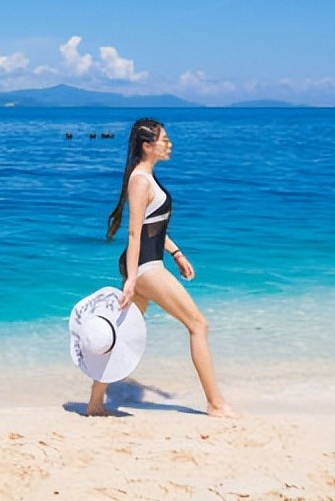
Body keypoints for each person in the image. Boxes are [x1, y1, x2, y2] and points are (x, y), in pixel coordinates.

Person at [86, 118, 237, 418]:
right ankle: (216, 404)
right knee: (198, 325)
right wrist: (131, 279)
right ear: (147, 145)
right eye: (164, 140)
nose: (169, 145)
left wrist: (177, 253)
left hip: (146, 264)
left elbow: (153, 229)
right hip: (144, 268)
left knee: (122, 333)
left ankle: (94, 403)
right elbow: (133, 233)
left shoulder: (147, 178)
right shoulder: (140, 181)